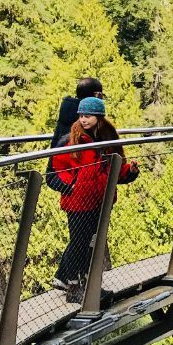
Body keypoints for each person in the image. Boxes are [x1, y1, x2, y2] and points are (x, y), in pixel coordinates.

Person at [49, 97, 137, 303]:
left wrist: (129, 171)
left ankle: (87, 285)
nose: (83, 120)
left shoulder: (108, 140)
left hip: (100, 200)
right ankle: (73, 287)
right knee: (79, 243)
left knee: (89, 244)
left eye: (87, 116)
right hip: (78, 201)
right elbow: (55, 171)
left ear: (99, 117)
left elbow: (115, 170)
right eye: (81, 116)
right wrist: (71, 186)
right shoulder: (71, 141)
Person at [52, 77, 103, 144]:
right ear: (96, 95)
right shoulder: (90, 115)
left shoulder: (67, 108)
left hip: (58, 152)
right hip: (80, 152)